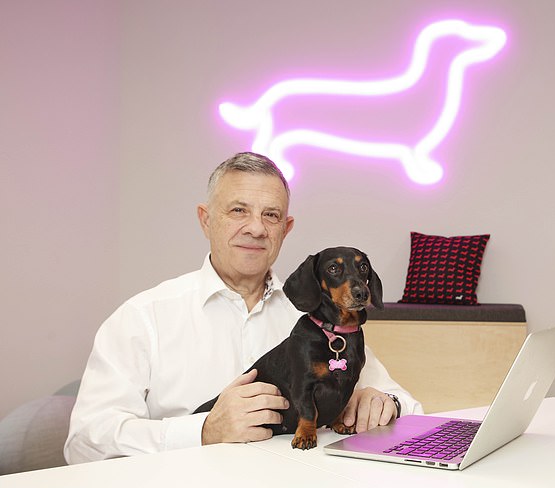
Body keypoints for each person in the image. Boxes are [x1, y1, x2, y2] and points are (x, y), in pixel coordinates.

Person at [64, 152, 422, 464]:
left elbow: (409, 405)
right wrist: (203, 430)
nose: (256, 228)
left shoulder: (328, 320)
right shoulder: (142, 318)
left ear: (286, 228)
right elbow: (84, 443)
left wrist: (384, 402)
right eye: (238, 211)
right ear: (206, 219)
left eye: (271, 215)